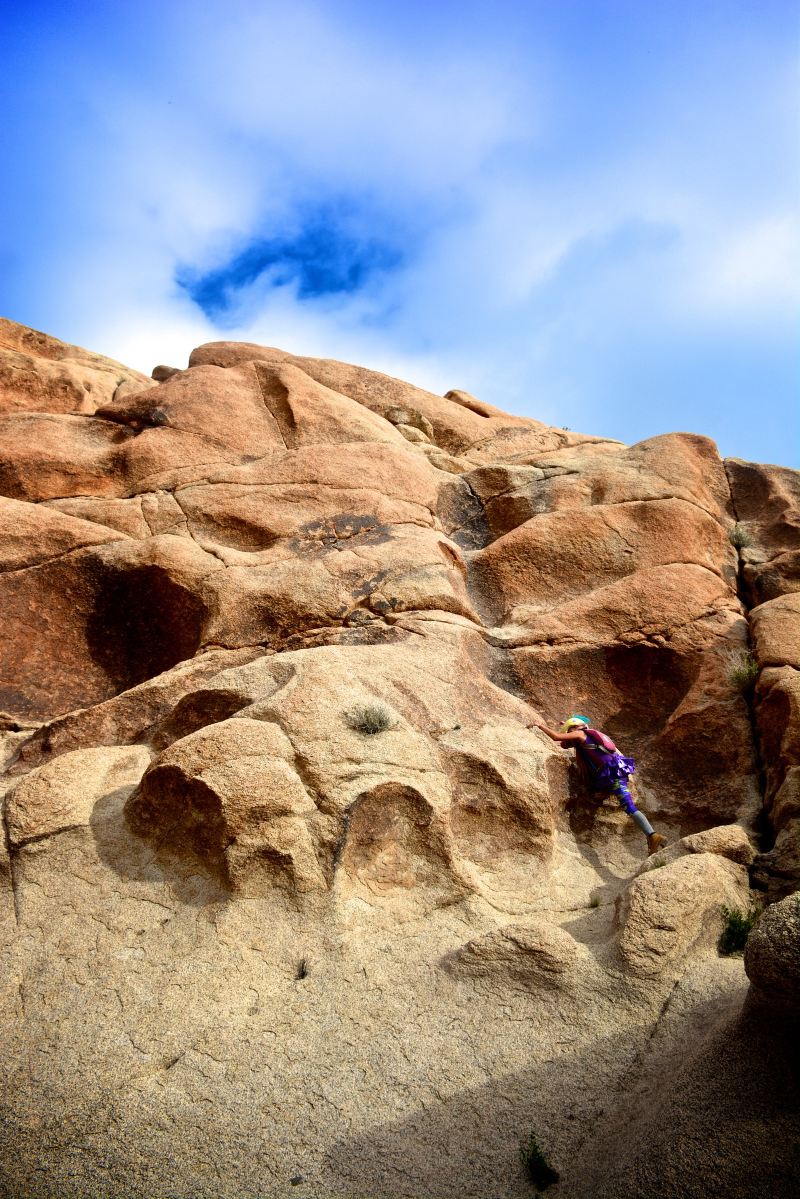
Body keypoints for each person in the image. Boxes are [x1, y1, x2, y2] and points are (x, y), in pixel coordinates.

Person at [531, 714, 666, 856]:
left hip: (612, 775)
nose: (569, 734)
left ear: (574, 728)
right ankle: (651, 835)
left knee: (629, 807)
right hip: (616, 771)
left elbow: (557, 738)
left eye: (569, 730)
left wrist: (539, 726)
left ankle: (652, 835)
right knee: (605, 796)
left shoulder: (580, 733)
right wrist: (568, 726)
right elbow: (568, 743)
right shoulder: (589, 734)